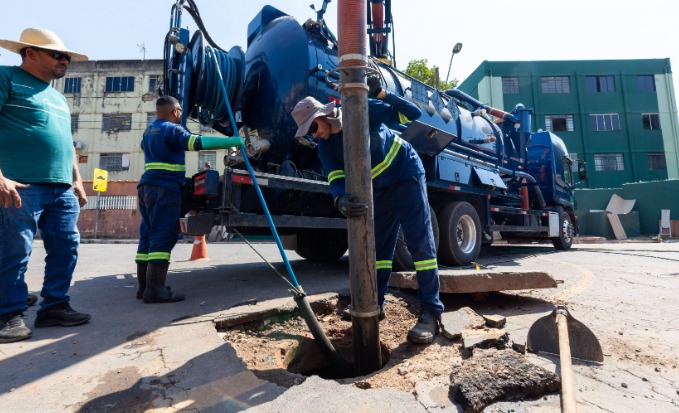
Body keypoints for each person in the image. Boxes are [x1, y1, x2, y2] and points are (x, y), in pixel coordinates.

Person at [291, 77, 444, 344]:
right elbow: (336, 179)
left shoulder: (361, 110)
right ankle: (376, 303)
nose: (313, 135)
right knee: (379, 250)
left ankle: (431, 312)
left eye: (312, 127)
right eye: (308, 133)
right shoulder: (326, 147)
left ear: (322, 115)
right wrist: (340, 200)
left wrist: (383, 94)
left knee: (419, 244)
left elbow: (413, 114)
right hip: (379, 188)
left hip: (406, 173)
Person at [0, 28, 91, 343]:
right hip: (20, 184)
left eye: (67, 57)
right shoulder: (7, 77)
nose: (64, 61)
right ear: (31, 53)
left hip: (61, 188)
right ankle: (8, 314)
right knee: (15, 250)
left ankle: (54, 306)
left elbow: (67, 143)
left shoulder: (57, 97)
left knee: (66, 247)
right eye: (57, 55)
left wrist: (77, 180)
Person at [136, 95, 244, 303]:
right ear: (175, 111)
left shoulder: (149, 130)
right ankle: (155, 290)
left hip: (146, 186)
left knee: (148, 235)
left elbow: (145, 147)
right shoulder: (172, 129)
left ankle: (144, 287)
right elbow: (197, 142)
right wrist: (232, 141)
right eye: (180, 111)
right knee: (163, 236)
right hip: (165, 187)